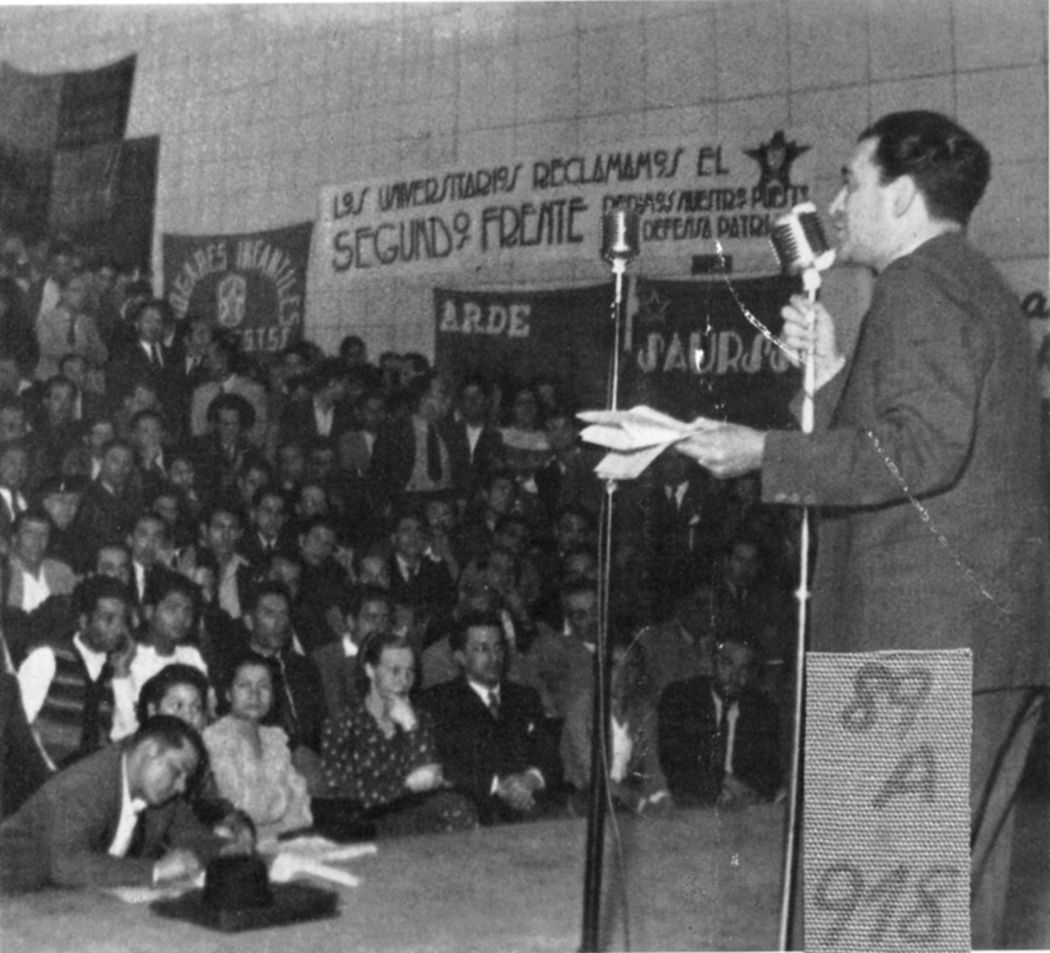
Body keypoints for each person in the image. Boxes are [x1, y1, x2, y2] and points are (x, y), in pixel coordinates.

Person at [675, 110, 1047, 948]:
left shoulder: (919, 286)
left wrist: (764, 451)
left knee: (879, 928)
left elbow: (919, 450)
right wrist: (835, 369)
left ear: (905, 195)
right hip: (977, 646)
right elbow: (929, 440)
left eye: (851, 180)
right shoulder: (974, 285)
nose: (836, 203)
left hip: (911, 653)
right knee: (938, 927)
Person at [0, 715, 226, 893]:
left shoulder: (162, 794)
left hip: (78, 906)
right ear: (150, 749)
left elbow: (193, 836)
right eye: (178, 771)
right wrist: (154, 870)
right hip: (17, 893)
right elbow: (65, 863)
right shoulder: (87, 781)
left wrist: (231, 846)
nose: (182, 787)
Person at [318, 631, 476, 836]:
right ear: (370, 670)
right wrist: (406, 786)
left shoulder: (419, 719)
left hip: (417, 818)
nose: (404, 680)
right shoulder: (342, 725)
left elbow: (429, 779)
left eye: (410, 671)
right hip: (368, 825)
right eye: (395, 670)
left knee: (457, 805)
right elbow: (346, 798)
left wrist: (411, 726)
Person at [421, 612, 559, 825]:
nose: (494, 657)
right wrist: (498, 786)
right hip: (474, 810)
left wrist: (530, 780)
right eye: (481, 649)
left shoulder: (525, 697)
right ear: (460, 657)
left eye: (498, 647)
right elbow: (444, 766)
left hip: (531, 805)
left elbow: (550, 757)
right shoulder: (438, 702)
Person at [16, 576, 134, 769]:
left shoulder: (118, 670)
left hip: (90, 778)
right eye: (108, 619)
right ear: (84, 620)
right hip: (43, 773)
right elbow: (18, 726)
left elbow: (126, 735)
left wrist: (121, 672)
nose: (118, 629)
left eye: (123, 621)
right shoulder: (48, 657)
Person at [657, 631, 782, 807]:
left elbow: (769, 773)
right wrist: (721, 782)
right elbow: (675, 762)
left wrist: (747, 793)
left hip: (744, 811)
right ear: (712, 663)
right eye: (727, 663)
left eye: (743, 668)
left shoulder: (762, 711)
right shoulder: (681, 698)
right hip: (692, 807)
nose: (734, 675)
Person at [203, 653, 312, 842]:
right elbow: (237, 811)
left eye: (264, 686)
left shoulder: (275, 738)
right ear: (228, 693)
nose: (255, 694)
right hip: (236, 847)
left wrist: (284, 831)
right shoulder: (215, 739)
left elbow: (299, 805)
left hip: (284, 840)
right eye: (244, 685)